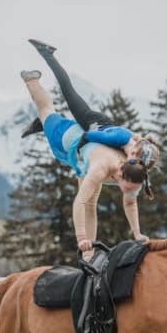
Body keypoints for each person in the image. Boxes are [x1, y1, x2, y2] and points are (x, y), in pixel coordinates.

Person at [20, 66, 153, 256]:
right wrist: (81, 238)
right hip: (66, 137)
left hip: (86, 151)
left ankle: (89, 257)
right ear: (121, 174)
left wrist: (138, 234)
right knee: (46, 110)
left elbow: (130, 204)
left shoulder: (136, 174)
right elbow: (78, 203)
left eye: (133, 190)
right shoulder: (101, 168)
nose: (130, 192)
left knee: (93, 204)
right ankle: (31, 79)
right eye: (129, 188)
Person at [21, 39, 159, 170]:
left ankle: (41, 124)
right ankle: (47, 53)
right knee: (67, 89)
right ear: (134, 151)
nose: (133, 164)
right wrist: (79, 153)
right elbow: (88, 136)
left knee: (67, 94)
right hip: (92, 120)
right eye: (134, 161)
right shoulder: (121, 139)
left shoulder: (132, 145)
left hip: (104, 124)